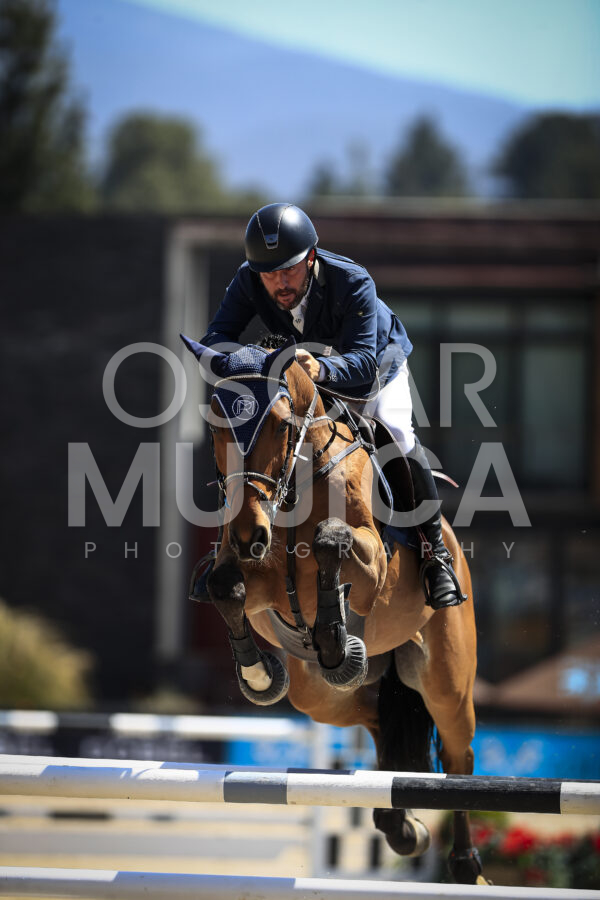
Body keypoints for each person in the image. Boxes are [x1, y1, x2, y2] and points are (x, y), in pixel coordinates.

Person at [199, 202, 463, 609]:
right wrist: (247, 362)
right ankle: (226, 554)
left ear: (311, 258)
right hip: (305, 374)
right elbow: (217, 337)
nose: (280, 283)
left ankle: (435, 555)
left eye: (289, 270)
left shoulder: (352, 280)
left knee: (397, 434)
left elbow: (364, 362)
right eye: (269, 274)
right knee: (249, 439)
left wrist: (321, 368)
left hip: (373, 369)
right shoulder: (249, 279)